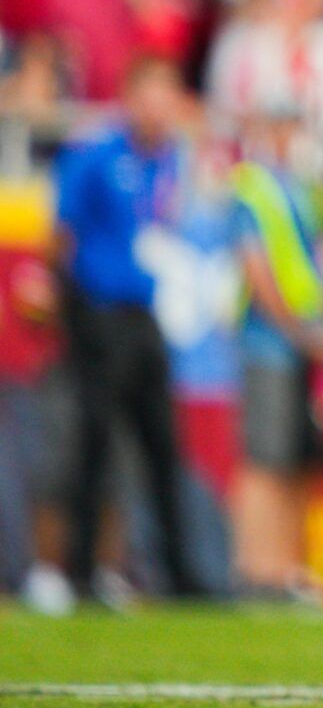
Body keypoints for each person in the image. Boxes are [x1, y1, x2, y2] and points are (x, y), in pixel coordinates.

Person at [53, 56, 205, 601]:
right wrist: (77, 307)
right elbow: (64, 232)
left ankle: (178, 571)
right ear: (131, 97)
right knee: (95, 444)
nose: (161, 108)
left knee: (162, 444)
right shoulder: (97, 154)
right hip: (100, 312)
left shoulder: (168, 158)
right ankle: (80, 569)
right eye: (153, 95)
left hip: (146, 314)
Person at [228, 102, 323, 600]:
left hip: (306, 344)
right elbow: (257, 269)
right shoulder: (252, 188)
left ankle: (288, 567)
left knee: (298, 461)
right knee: (265, 459)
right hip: (272, 340)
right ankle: (257, 568)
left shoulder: (308, 190)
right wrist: (300, 330)